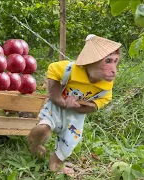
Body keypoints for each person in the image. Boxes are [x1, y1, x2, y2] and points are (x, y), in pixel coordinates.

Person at [27, 34, 122, 174]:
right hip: (56, 108)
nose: (114, 69)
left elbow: (102, 101)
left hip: (75, 116)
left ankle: (56, 164)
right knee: (43, 128)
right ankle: (34, 145)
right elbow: (52, 69)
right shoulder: (71, 70)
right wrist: (59, 99)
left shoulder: (106, 85)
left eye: (115, 61)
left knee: (70, 141)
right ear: (92, 61)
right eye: (108, 61)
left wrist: (81, 106)